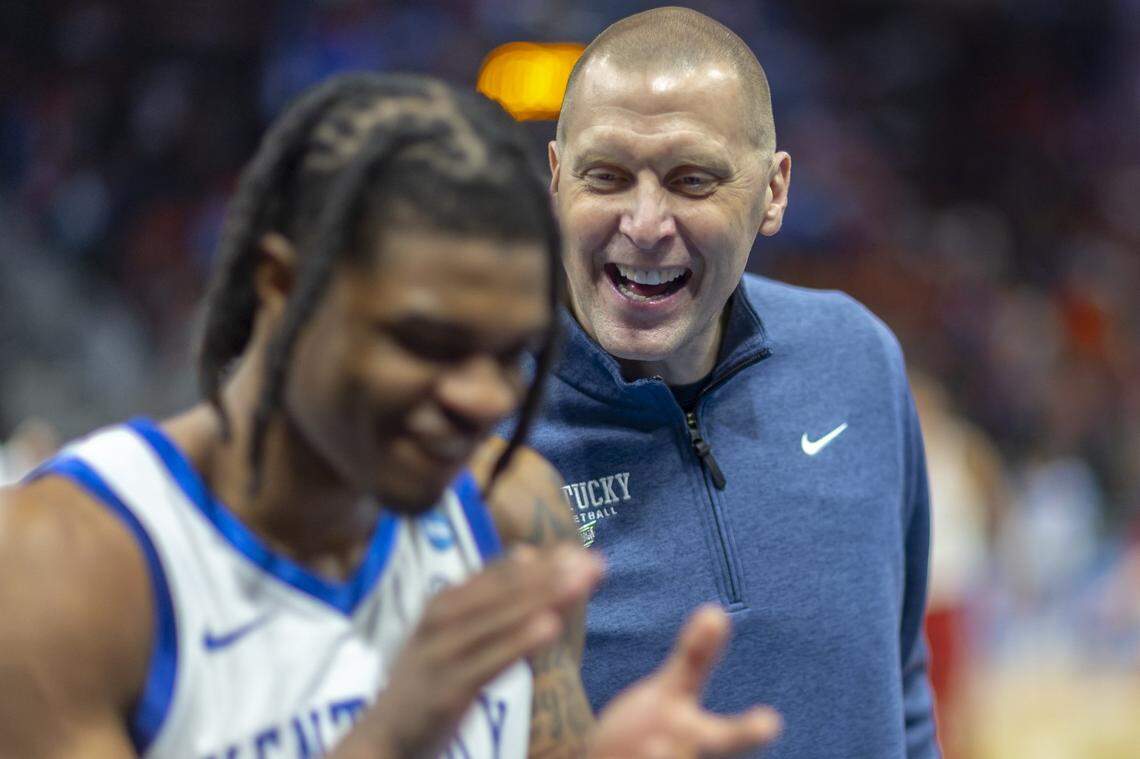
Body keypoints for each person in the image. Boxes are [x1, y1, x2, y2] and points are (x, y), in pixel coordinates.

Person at [0, 72, 781, 758]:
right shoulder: (64, 565)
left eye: (509, 351)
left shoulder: (512, 516)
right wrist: (391, 738)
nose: (482, 397)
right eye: (427, 340)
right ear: (280, 286)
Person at [523, 7, 940, 757]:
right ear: (556, 181)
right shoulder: (475, 429)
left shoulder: (855, 357)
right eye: (607, 176)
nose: (646, 223)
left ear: (774, 191)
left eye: (692, 180)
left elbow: (898, 681)